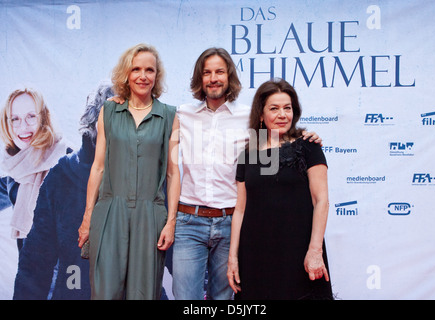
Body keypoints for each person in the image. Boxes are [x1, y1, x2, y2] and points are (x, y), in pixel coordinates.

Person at [172, 48, 321, 300]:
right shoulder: (181, 114)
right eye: (207, 72)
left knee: (224, 299)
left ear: (229, 76)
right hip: (189, 221)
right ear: (199, 78)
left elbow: (269, 175)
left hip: (231, 222)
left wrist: (306, 138)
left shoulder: (250, 120)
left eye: (220, 71)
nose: (213, 78)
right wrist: (119, 99)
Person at [77, 44, 180, 300]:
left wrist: (171, 222)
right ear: (126, 73)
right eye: (136, 69)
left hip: (151, 214)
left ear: (157, 76)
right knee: (105, 292)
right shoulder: (109, 111)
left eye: (149, 70)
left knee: (143, 294)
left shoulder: (169, 116)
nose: (142, 75)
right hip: (110, 211)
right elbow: (98, 166)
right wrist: (88, 217)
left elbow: (173, 173)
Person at [227, 78, 333, 300]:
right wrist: (233, 257)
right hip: (256, 254)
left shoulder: (308, 146)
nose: (282, 114)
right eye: (274, 108)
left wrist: (315, 251)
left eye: (288, 108)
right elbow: (240, 209)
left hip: (297, 252)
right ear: (261, 114)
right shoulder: (247, 154)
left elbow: (320, 200)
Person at [13, 82, 113, 300]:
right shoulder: (63, 175)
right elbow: (36, 261)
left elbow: (176, 249)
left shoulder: (148, 176)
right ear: (94, 123)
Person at [0, 88, 69, 250]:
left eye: (31, 116)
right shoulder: (17, 170)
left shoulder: (68, 163)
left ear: (44, 118)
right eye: (15, 119)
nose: (22, 127)